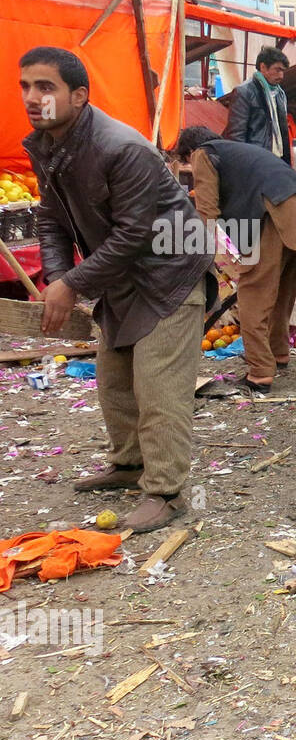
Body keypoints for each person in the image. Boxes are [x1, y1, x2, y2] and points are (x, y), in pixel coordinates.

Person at [20, 46, 214, 531]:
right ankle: (129, 466)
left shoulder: (121, 147)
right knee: (115, 384)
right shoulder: (46, 145)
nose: (32, 97)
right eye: (25, 86)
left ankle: (167, 493)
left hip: (171, 276)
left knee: (159, 392)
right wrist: (57, 278)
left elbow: (134, 233)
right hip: (122, 279)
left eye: (46, 87)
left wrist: (73, 285)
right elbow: (50, 219)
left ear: (79, 95)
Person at [177, 127, 296, 394]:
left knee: (253, 294)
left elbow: (207, 211)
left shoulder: (203, 153)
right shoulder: (236, 150)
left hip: (277, 212)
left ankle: (259, 373)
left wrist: (197, 257)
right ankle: (278, 353)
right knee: (282, 293)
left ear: (189, 151)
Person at [224, 46, 292, 164]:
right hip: (254, 162)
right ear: (263, 67)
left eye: (283, 71)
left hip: (276, 161)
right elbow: (236, 135)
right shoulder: (244, 92)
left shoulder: (279, 94)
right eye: (277, 70)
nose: (281, 76)